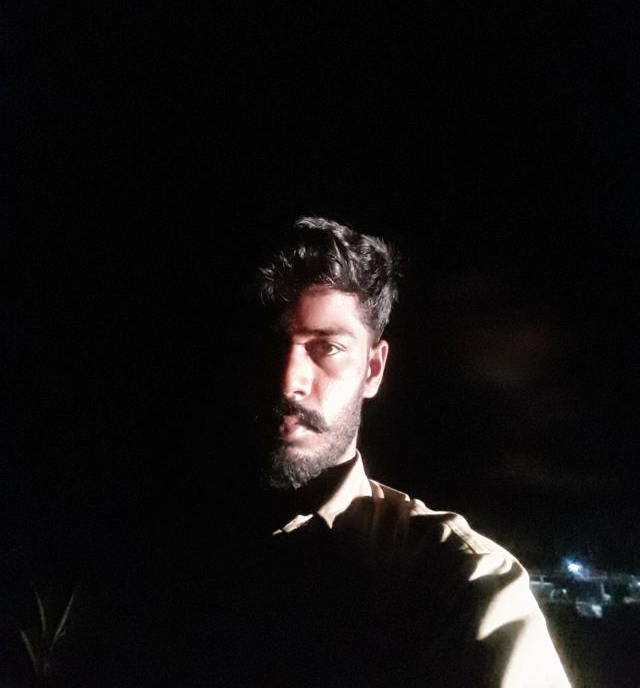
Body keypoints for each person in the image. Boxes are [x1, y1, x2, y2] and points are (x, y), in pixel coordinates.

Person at [211, 215, 571, 687]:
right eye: (270, 344)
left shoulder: (463, 586)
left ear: (373, 370)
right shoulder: (163, 547)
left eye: (328, 347)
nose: (288, 380)